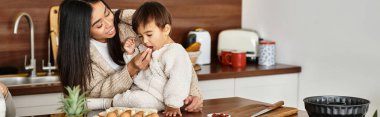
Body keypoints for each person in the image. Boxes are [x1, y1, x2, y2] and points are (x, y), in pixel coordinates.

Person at [57, 0, 203, 112]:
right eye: (98, 25)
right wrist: (132, 68)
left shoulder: (131, 24)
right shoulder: (80, 55)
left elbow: (175, 54)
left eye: (107, 13)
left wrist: (194, 93)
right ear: (81, 30)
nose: (109, 23)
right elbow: (94, 92)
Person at [113, 2, 193, 116]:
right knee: (132, 98)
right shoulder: (145, 47)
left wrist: (172, 105)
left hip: (161, 99)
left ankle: (108, 102)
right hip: (140, 90)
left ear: (166, 29)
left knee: (138, 101)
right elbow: (136, 66)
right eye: (140, 36)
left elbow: (179, 80)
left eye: (149, 35)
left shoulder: (175, 52)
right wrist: (130, 53)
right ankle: (108, 102)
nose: (144, 40)